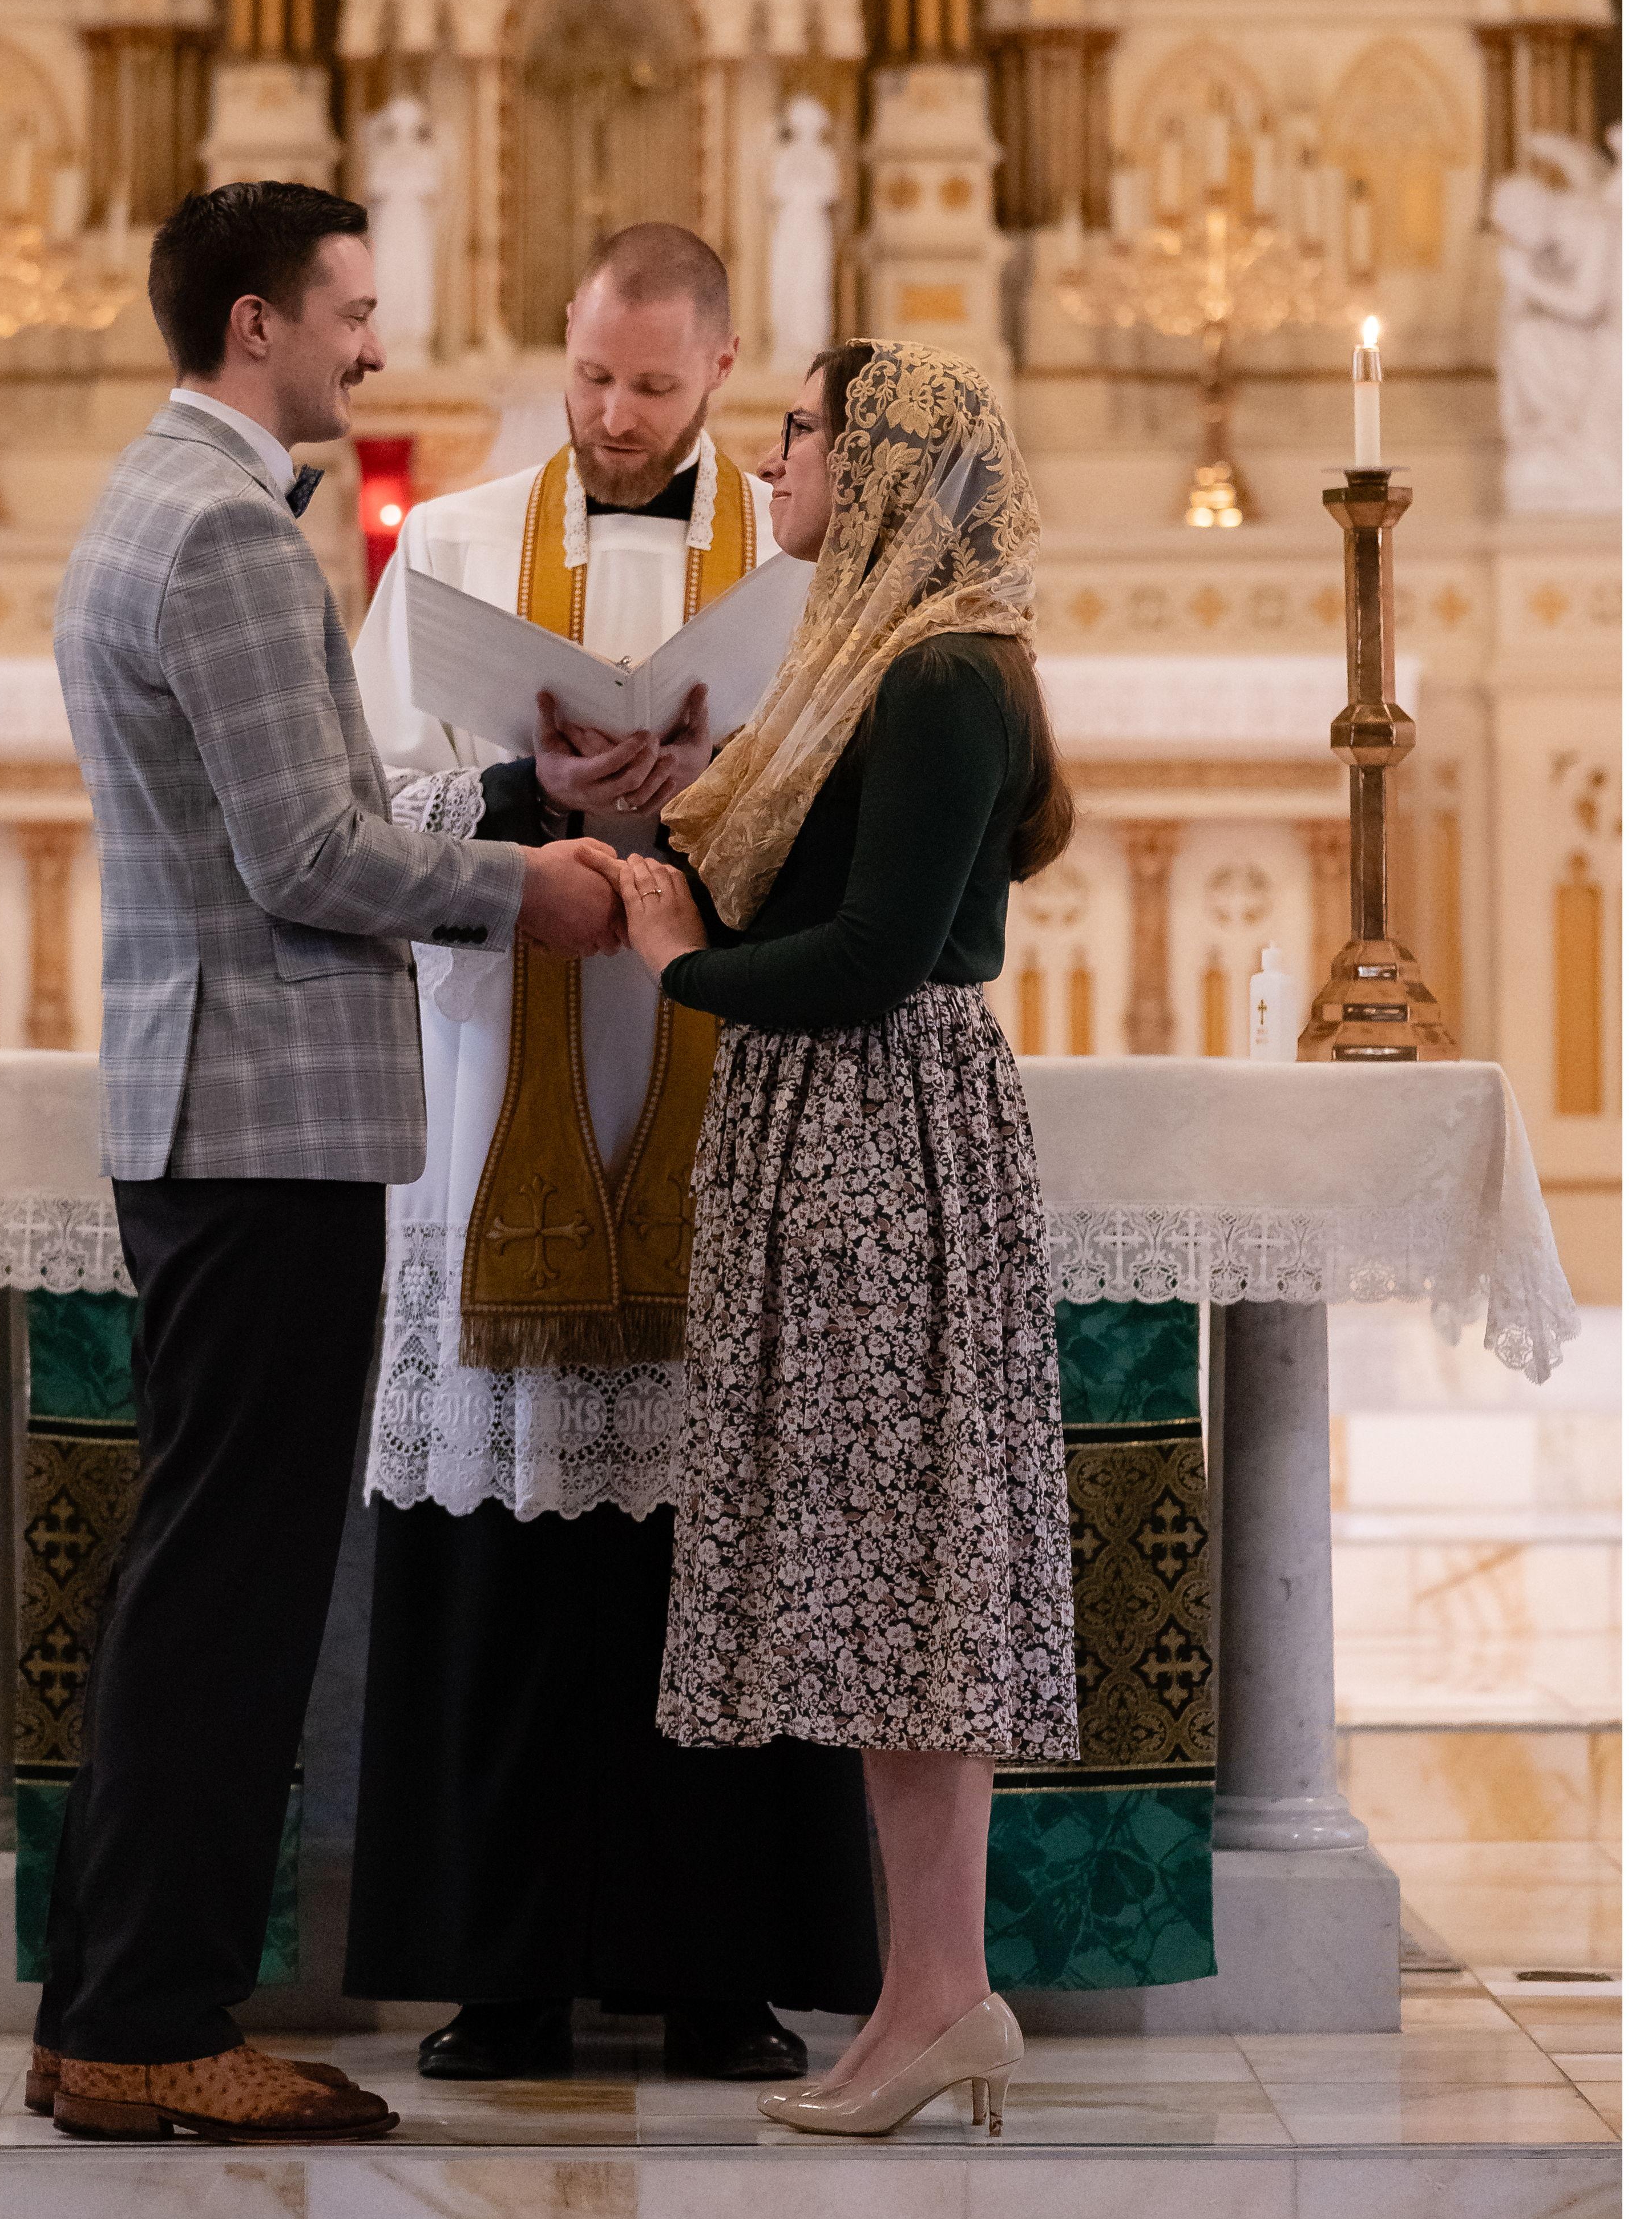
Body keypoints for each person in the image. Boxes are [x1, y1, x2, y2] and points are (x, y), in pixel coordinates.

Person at [31, 180, 625, 2145]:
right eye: (351, 312)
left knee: (192, 1571)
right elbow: (307, 858)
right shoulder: (219, 527)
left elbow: (308, 801)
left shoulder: (151, 496)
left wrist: (520, 794)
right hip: (259, 1114)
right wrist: (518, 893)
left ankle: (103, 2000)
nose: (373, 345)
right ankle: (154, 2016)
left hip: (217, 1105)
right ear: (258, 321)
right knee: (234, 1586)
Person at [344, 226, 881, 2084]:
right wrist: (524, 793)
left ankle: (719, 1973)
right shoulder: (461, 547)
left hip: (740, 1080)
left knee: (717, 1543)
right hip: (505, 1082)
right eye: (590, 374)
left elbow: (865, 809)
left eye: (654, 382)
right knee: (507, 1555)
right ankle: (502, 1974)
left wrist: (713, 794)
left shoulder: (804, 571)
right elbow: (367, 802)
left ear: (722, 367)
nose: (617, 411)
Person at [615, 340, 1080, 2141]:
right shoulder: (863, 659)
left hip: (887, 1125)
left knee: (907, 1574)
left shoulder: (946, 670)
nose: (772, 455)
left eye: (801, 427)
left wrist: (680, 970)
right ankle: (929, 1994)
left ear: (882, 459)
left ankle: (938, 1993)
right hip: (839, 1127)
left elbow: (876, 951)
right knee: (892, 1579)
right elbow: (801, 880)